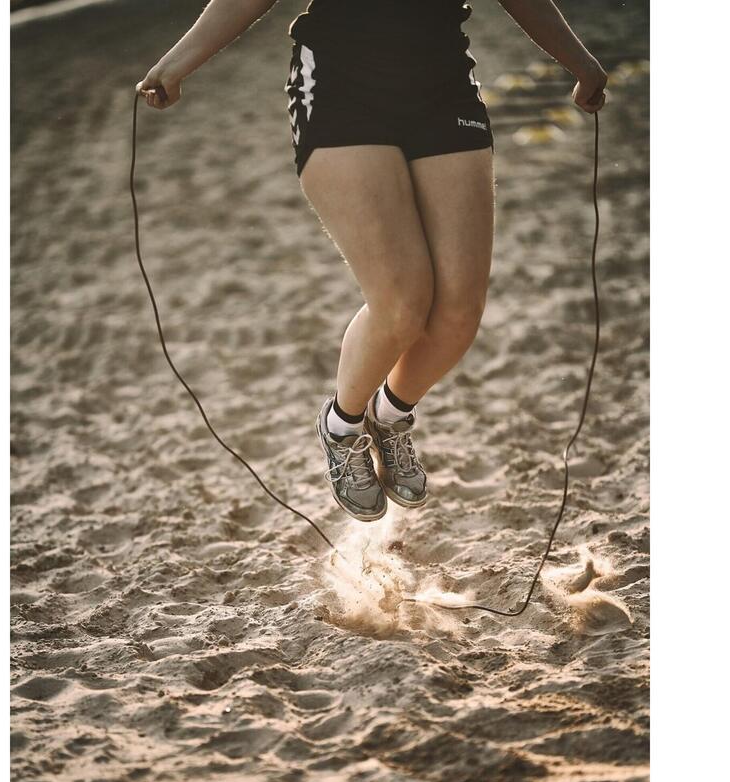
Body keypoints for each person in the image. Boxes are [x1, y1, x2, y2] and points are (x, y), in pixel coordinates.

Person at [137, 0, 607, 523]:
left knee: (458, 314)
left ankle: (391, 415)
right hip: (342, 86)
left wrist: (581, 63)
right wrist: (177, 62)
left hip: (443, 86)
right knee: (403, 303)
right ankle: (342, 427)